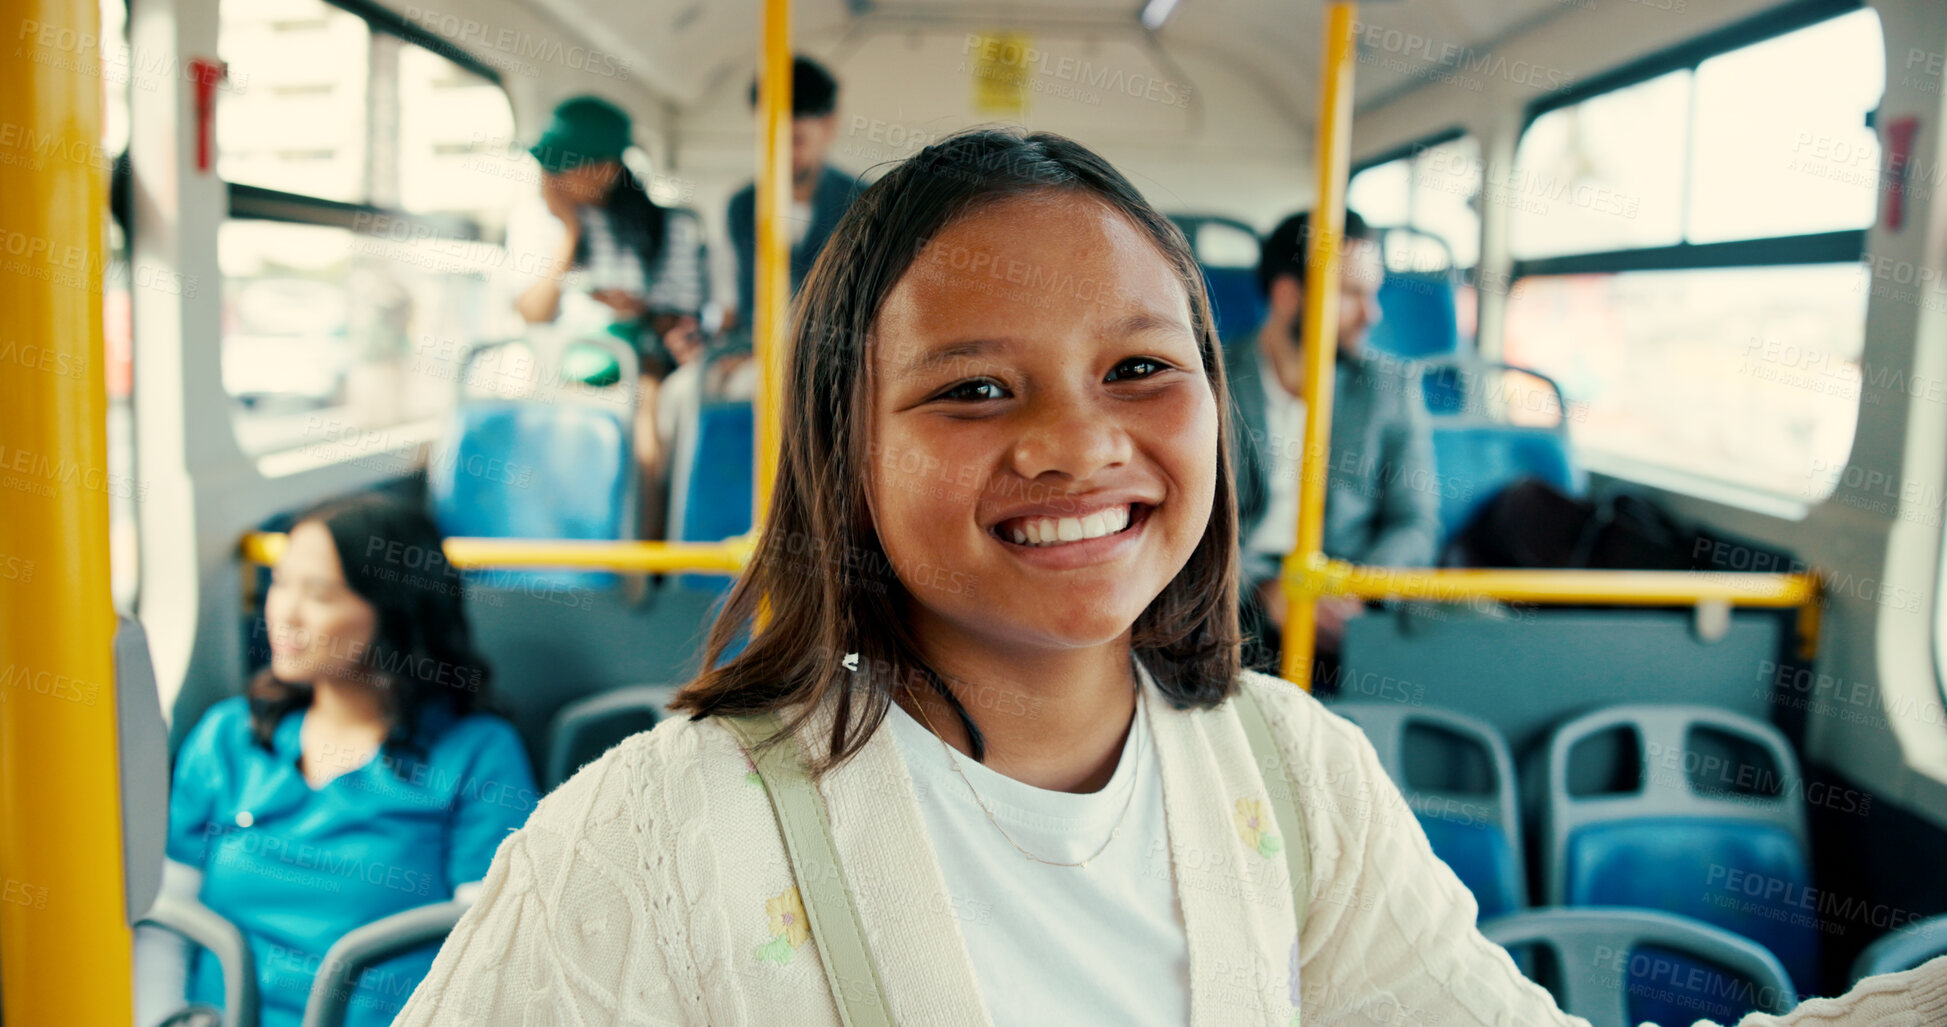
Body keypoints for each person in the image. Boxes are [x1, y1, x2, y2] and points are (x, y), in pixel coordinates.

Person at [394, 130, 1945, 1025]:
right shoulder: (659, 827)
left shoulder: (1295, 776)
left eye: (1138, 366)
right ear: (839, 448)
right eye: (974, 389)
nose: (1078, 443)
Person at [135, 495, 536, 1027]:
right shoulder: (228, 736)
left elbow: (492, 954)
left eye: (320, 593)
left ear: (393, 610)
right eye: (279, 582)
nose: (285, 613)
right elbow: (163, 924)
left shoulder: (478, 754)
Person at [1227, 210, 1441, 677]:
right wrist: (1264, 590)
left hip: (1352, 601)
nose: (1373, 313)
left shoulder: (1390, 387)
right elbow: (1187, 527)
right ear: (1288, 296)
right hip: (1234, 604)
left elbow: (1415, 523)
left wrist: (1351, 589)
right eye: (1352, 294)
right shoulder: (1211, 379)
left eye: (1373, 292)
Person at [506, 94, 709, 540]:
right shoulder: (538, 220)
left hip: (634, 363)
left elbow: (682, 315)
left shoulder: (666, 228)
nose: (552, 176)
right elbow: (534, 314)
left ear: (607, 168)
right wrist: (569, 232)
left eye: (564, 165)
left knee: (644, 416)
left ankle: (648, 548)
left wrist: (641, 311)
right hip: (558, 362)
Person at [725, 54, 864, 328]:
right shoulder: (742, 207)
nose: (785, 153)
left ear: (829, 126)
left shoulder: (864, 203)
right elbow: (741, 303)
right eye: (773, 139)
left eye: (797, 140)